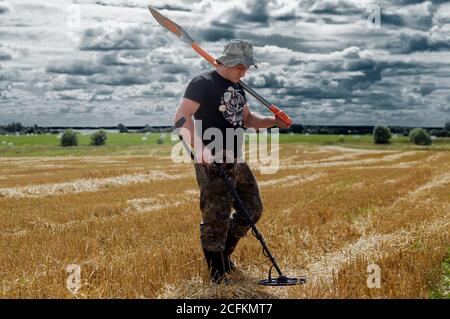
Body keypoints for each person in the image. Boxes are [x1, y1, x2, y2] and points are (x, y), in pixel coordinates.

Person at [173, 39, 291, 283]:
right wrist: (201, 150)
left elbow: (248, 119)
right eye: (241, 66)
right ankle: (217, 274)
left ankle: (225, 255)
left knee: (253, 209)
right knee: (216, 217)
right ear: (229, 62)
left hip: (235, 158)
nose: (244, 71)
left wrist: (273, 121)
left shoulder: (238, 87)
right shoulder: (202, 83)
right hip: (212, 161)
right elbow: (181, 118)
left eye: (246, 68)